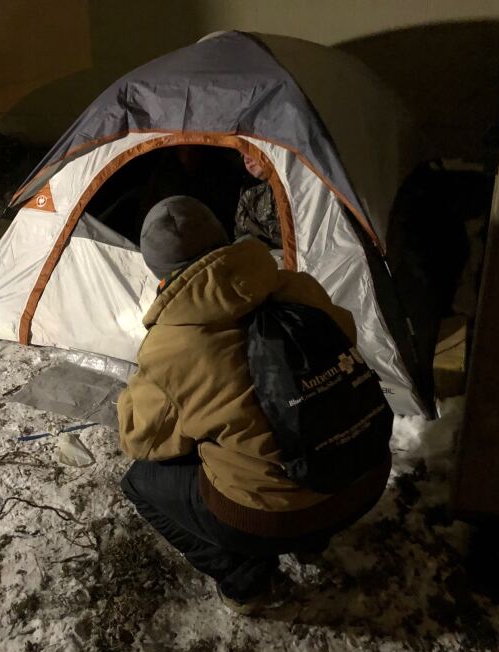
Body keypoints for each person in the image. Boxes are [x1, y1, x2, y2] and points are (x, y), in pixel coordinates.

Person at [117, 195, 392, 614]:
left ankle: (244, 581)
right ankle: (315, 538)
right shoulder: (299, 288)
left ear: (159, 273)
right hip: (365, 472)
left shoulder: (171, 346)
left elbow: (143, 439)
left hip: (276, 516)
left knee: (140, 482)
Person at [234, 152, 282, 248]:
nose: (247, 159)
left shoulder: (309, 189)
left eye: (251, 148)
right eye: (243, 154)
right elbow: (241, 244)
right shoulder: (250, 199)